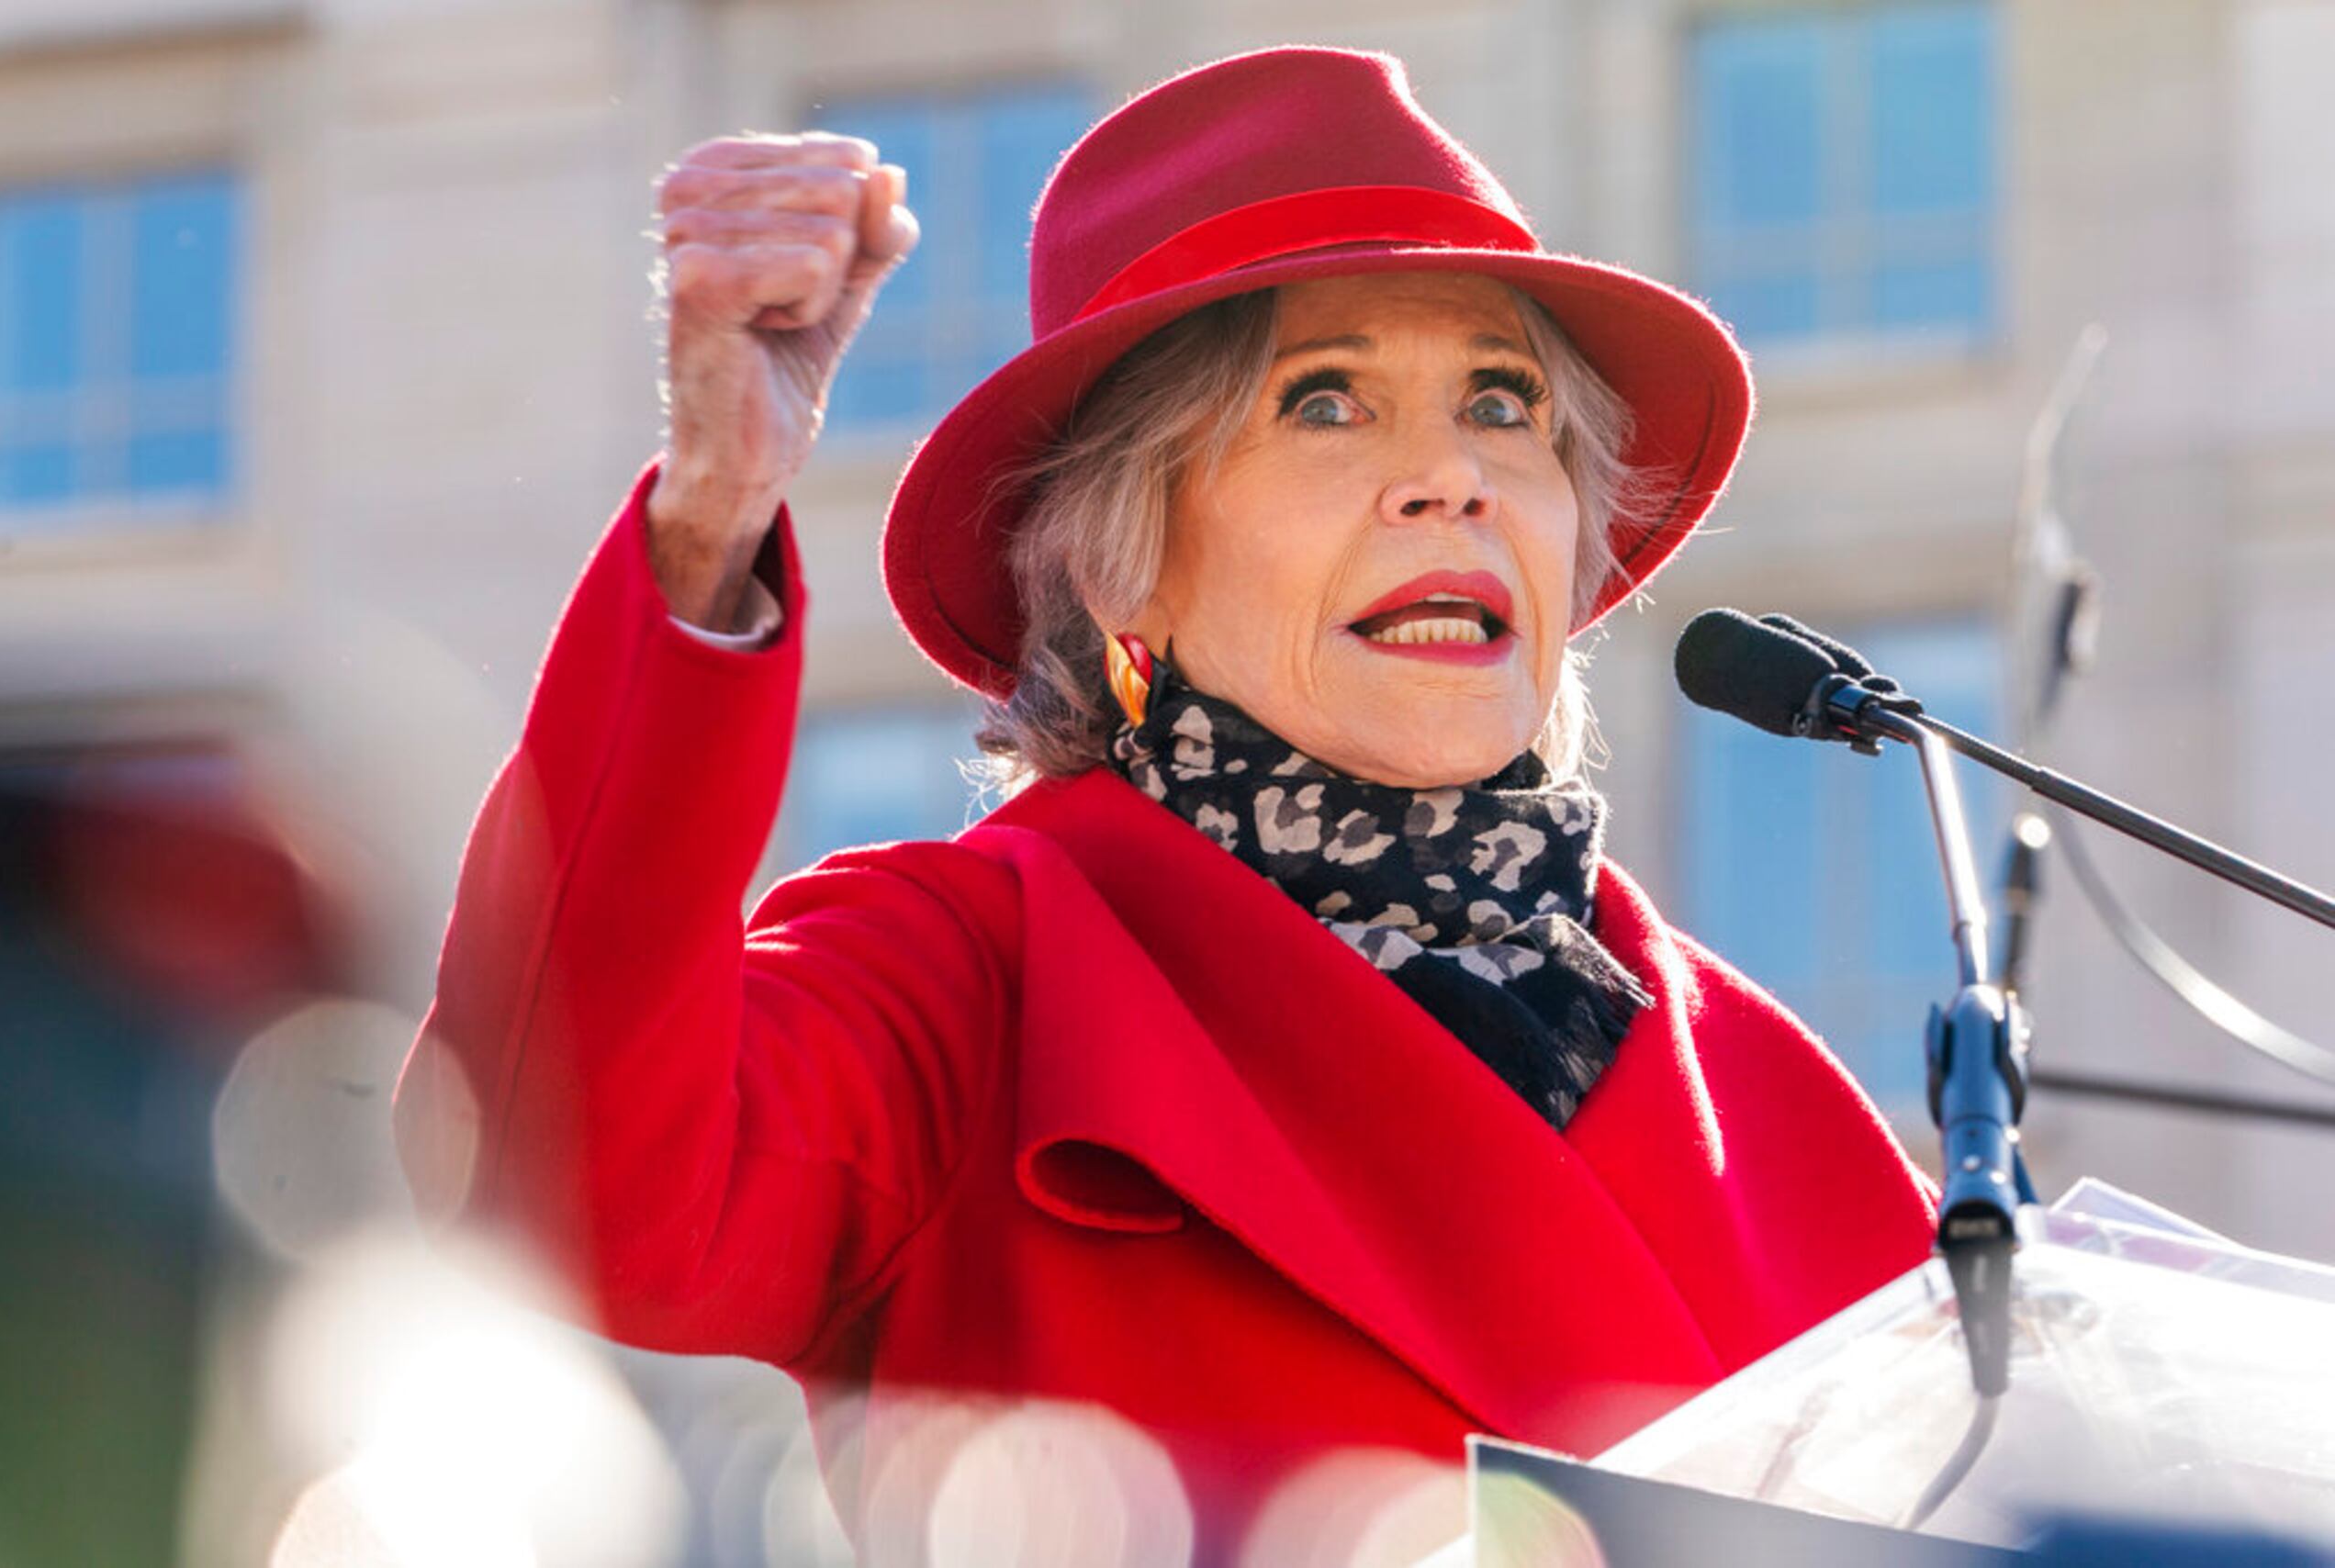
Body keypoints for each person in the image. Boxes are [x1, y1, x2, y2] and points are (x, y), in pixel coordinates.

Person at [394, 44, 1936, 1562]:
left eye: (1505, 405)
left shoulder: (1772, 1100)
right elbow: (556, 1188)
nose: (1451, 478)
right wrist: (711, 515)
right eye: (1326, 405)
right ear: (1122, 556)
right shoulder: (975, 972)